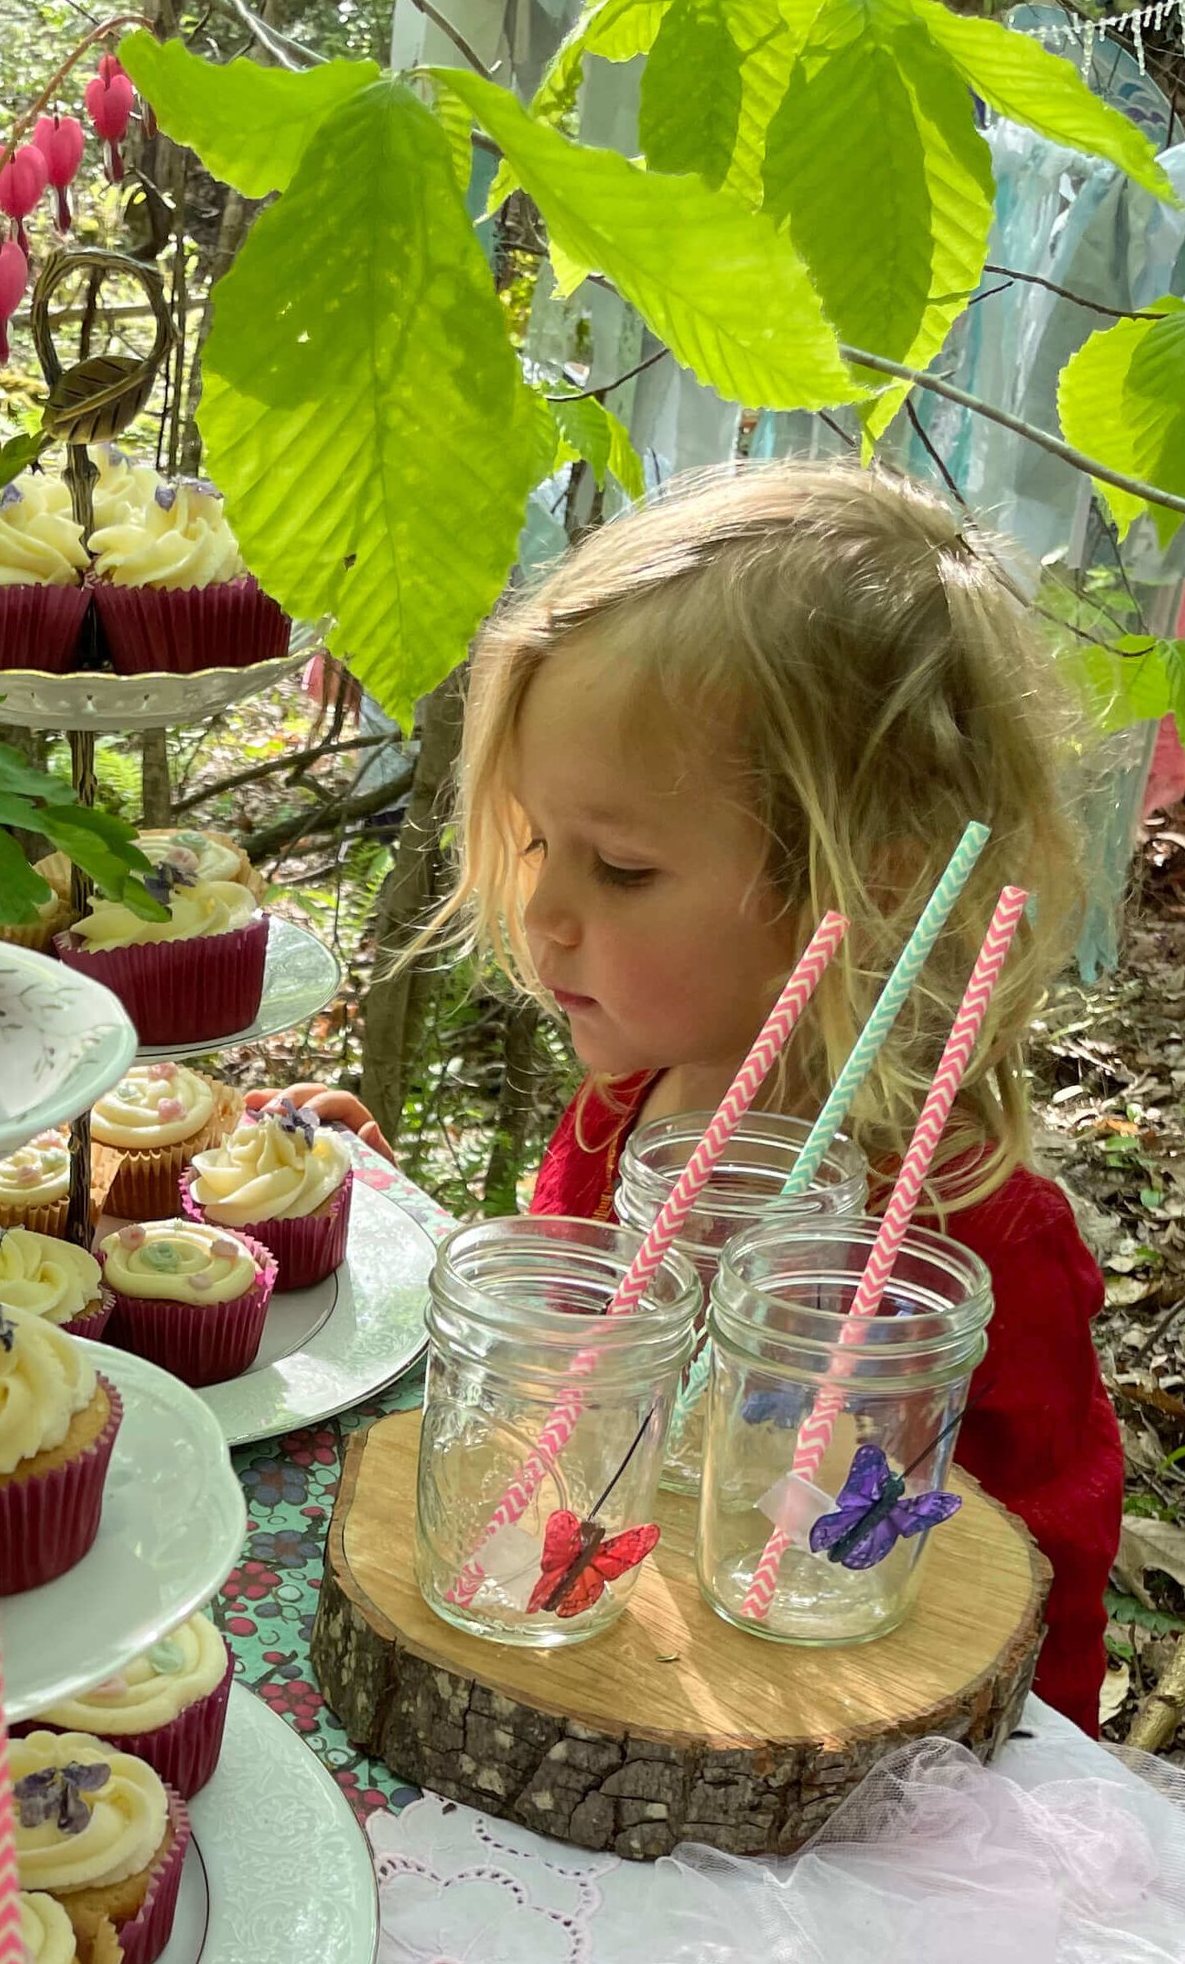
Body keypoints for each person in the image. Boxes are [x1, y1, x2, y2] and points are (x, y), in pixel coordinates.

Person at [264, 462, 1125, 1732]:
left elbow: (1044, 1613)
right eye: (539, 842)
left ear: (868, 882)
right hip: (590, 1686)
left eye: (620, 868)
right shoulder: (632, 1106)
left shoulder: (964, 1243)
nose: (545, 913)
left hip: (811, 1772)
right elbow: (579, 1347)